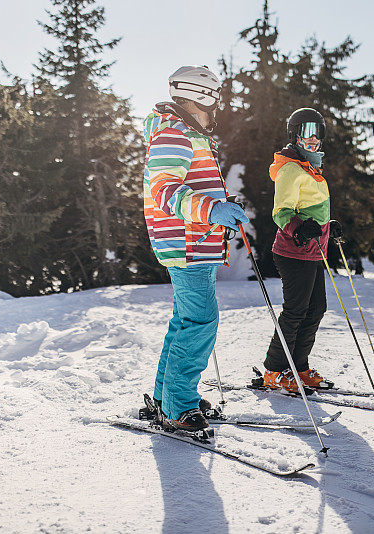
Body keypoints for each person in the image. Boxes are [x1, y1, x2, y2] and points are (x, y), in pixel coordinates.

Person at [143, 65, 248, 431]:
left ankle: (166, 397)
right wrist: (212, 209)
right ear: (204, 96)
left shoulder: (187, 134)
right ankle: (178, 406)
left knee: (185, 321)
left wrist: (219, 201)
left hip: (193, 241)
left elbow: (187, 185)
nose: (218, 106)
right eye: (216, 98)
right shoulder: (175, 134)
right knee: (200, 321)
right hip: (187, 243)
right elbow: (165, 190)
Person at [262, 107, 342, 393]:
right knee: (295, 311)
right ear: (294, 135)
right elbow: (281, 211)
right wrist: (298, 228)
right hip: (292, 251)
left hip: (312, 251)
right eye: (306, 134)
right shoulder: (291, 169)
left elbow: (312, 209)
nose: (312, 140)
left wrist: (327, 226)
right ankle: (274, 371)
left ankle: (298, 367)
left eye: (317, 134)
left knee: (316, 309)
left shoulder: (312, 168)